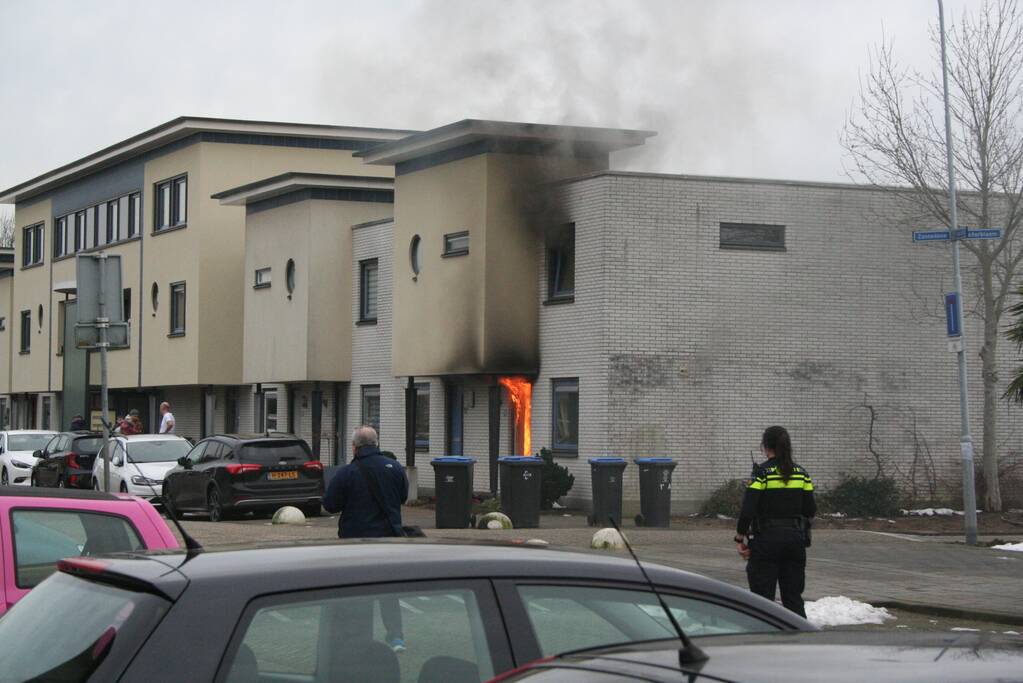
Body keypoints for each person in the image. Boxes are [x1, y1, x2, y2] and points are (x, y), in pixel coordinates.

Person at [322, 425, 409, 651]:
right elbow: (402, 496)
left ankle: (357, 637)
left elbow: (330, 505)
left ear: (355, 447)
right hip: (389, 540)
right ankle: (396, 636)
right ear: (376, 443)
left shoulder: (347, 473)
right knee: (389, 590)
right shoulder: (395, 468)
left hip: (355, 543)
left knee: (357, 589)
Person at [735, 425, 816, 618]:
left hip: (766, 542)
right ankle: (799, 640)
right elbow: (810, 510)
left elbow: (748, 509)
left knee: (762, 601)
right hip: (795, 541)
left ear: (765, 446)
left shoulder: (762, 473)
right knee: (793, 598)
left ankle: (766, 642)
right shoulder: (802, 474)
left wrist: (740, 538)